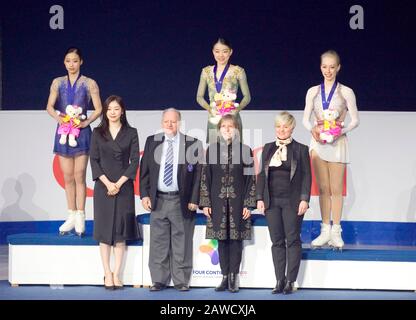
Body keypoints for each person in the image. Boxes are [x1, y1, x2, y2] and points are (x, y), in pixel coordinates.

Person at [139, 108, 203, 292]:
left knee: (181, 242)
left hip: (180, 201)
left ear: (179, 123)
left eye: (173, 121)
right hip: (158, 200)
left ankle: (181, 280)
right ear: (162, 123)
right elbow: (144, 172)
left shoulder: (192, 144)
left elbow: (199, 175)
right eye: (166, 121)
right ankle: (158, 280)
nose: (169, 124)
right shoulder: (152, 142)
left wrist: (194, 198)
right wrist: (144, 195)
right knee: (158, 241)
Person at [302, 50, 359, 250]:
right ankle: (324, 229)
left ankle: (336, 231)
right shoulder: (313, 92)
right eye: (325, 66)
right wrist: (314, 130)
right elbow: (304, 119)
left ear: (338, 68)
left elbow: (355, 120)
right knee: (323, 189)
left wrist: (339, 130)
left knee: (336, 189)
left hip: (337, 143)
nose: (328, 70)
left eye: (332, 66)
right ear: (320, 67)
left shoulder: (346, 92)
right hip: (317, 144)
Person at [46, 47, 102, 236]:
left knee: (79, 176)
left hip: (81, 133)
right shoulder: (57, 82)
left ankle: (81, 216)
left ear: (81, 62)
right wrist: (60, 119)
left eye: (75, 61)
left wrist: (86, 122)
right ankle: (70, 215)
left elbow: (99, 108)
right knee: (68, 177)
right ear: (64, 62)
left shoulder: (89, 83)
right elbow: (49, 107)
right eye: (68, 61)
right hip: (63, 131)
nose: (72, 64)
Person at [200, 114, 256, 293]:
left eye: (230, 126)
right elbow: (205, 177)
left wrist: (249, 203)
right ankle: (224, 277)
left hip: (238, 202)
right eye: (223, 126)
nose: (227, 129)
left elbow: (251, 180)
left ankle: (233, 277)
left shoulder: (245, 151)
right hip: (216, 202)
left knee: (235, 239)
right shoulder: (212, 150)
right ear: (219, 130)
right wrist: (205, 202)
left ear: (237, 129)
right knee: (221, 239)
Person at [257, 112, 311, 294]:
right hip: (271, 202)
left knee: (293, 240)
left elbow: (306, 177)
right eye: (278, 126)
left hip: (292, 202)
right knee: (277, 241)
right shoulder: (268, 148)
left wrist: (304, 198)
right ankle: (279, 280)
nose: (281, 130)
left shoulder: (301, 149)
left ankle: (290, 281)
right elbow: (261, 176)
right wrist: (259, 198)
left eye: (285, 126)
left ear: (292, 128)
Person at [90, 95, 141, 290]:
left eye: (116, 109)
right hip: (103, 187)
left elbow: (134, 161)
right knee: (104, 233)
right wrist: (107, 183)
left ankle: (117, 273)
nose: (112, 112)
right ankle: (107, 274)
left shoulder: (131, 132)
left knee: (120, 233)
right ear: (105, 111)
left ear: (122, 111)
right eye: (109, 109)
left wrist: (118, 184)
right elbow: (93, 160)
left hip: (124, 187)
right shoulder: (97, 132)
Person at [196, 38, 251, 143]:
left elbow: (247, 96)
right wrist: (209, 109)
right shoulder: (206, 71)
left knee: (236, 153)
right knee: (214, 154)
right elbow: (199, 97)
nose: (221, 55)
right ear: (213, 52)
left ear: (230, 52)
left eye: (225, 51)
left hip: (232, 118)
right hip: (214, 118)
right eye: (217, 51)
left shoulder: (238, 71)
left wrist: (237, 109)